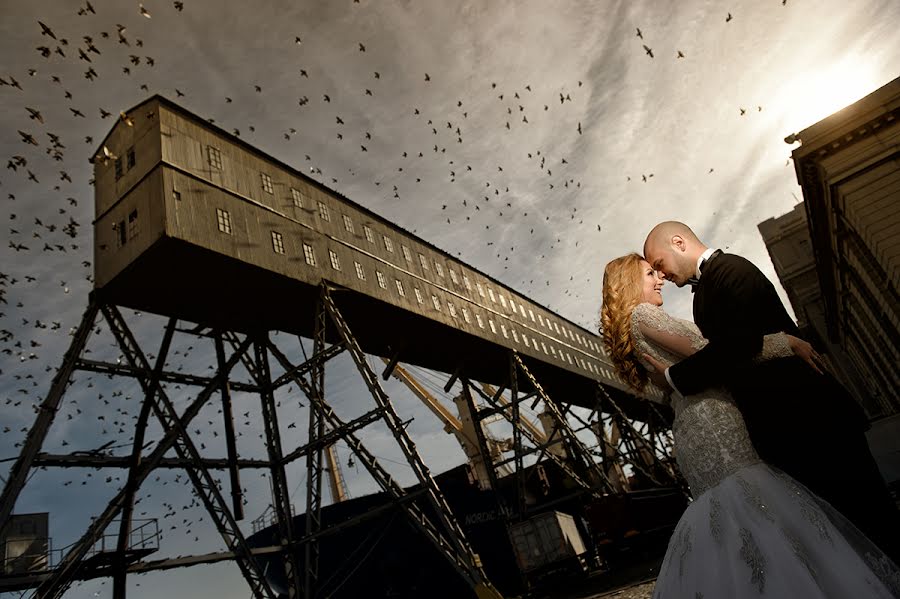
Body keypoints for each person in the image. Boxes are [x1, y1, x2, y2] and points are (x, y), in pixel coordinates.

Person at [600, 253, 900, 597]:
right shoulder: (642, 314)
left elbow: (705, 360)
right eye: (650, 273)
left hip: (699, 423)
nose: (660, 278)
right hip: (714, 422)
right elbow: (719, 351)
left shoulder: (638, 326)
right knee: (756, 506)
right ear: (628, 284)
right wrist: (784, 343)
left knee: (746, 522)